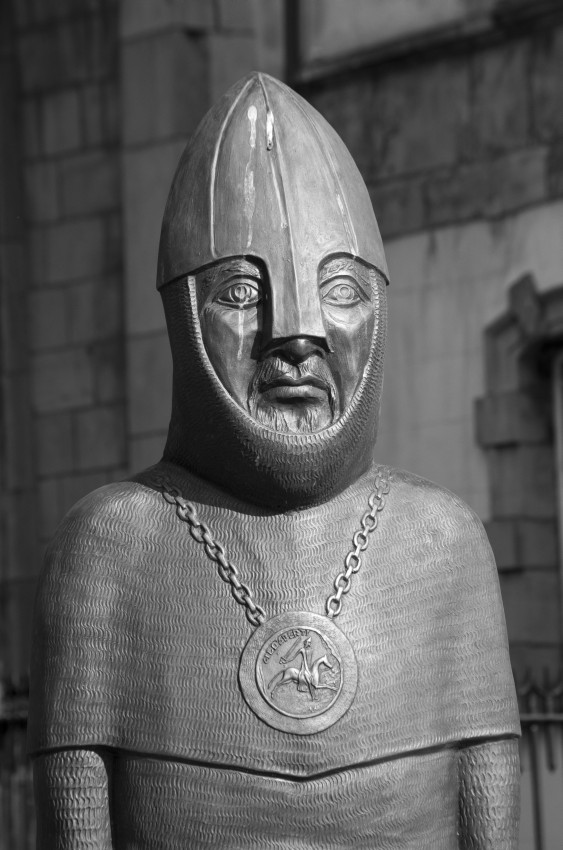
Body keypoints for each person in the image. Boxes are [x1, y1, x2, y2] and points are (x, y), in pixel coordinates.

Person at [29, 72, 520, 848]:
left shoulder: (441, 541)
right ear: (183, 315)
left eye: (340, 289)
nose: (297, 331)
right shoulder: (112, 546)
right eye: (239, 292)